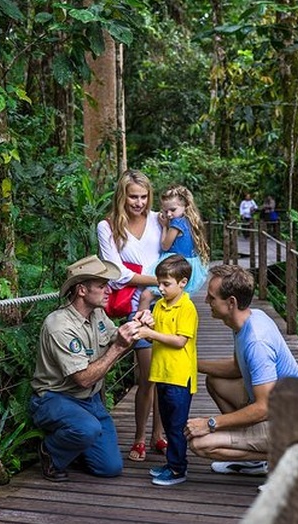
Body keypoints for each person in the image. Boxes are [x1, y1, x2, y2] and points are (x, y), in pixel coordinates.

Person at [29, 255, 152, 481]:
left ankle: (76, 445)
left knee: (110, 468)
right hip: (55, 398)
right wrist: (117, 348)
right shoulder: (59, 326)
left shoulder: (97, 314)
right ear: (82, 291)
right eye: (102, 286)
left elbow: (118, 336)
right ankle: (51, 453)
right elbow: (84, 379)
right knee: (87, 429)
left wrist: (138, 325)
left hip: (90, 400)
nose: (108, 292)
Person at [184, 264, 298, 475]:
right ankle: (253, 456)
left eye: (211, 298)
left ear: (231, 303)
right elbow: (237, 368)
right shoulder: (247, 319)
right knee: (215, 381)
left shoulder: (256, 340)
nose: (206, 302)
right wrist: (191, 363)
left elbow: (263, 407)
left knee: (200, 443)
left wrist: (210, 424)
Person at [97, 170, 166, 462]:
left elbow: (177, 254)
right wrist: (161, 280)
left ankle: (158, 435)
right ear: (122, 196)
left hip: (168, 304)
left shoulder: (159, 220)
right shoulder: (108, 226)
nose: (139, 202)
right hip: (136, 309)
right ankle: (139, 436)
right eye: (133, 196)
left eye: (143, 196)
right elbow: (116, 274)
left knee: (167, 374)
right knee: (148, 375)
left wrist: (163, 284)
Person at [134, 255, 199, 486]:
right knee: (169, 422)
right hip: (161, 373)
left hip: (179, 376)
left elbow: (180, 341)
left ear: (182, 282)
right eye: (159, 283)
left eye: (166, 284)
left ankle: (178, 470)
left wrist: (150, 334)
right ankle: (172, 464)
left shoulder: (187, 307)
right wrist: (147, 323)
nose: (160, 288)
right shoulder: (160, 305)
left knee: (176, 425)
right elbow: (158, 336)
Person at [137, 184, 209, 312]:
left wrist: (165, 226)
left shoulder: (176, 223)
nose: (169, 214)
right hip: (188, 264)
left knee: (146, 296)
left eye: (173, 210)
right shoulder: (190, 220)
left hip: (174, 265)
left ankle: (139, 327)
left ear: (185, 206)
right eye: (165, 211)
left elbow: (165, 245)